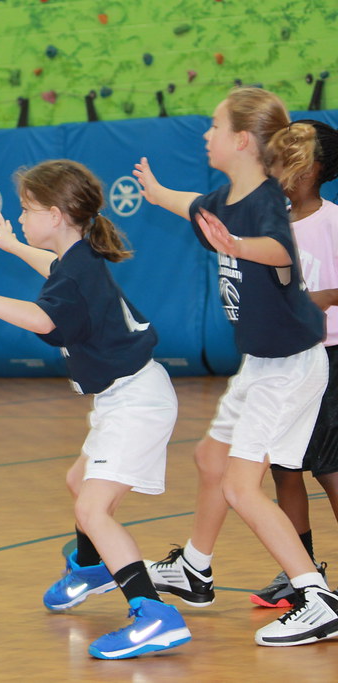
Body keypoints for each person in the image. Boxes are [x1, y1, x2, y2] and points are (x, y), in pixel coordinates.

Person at [0, 159, 190, 660]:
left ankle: (154, 614)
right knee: (78, 482)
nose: (19, 217)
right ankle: (91, 568)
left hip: (137, 401)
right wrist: (13, 246)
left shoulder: (75, 274)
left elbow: (42, 319)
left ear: (54, 215)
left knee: (92, 509)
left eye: (26, 210)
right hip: (125, 396)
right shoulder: (78, 257)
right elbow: (53, 270)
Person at [134, 87, 338, 647]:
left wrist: (241, 246)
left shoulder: (269, 201)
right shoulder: (230, 197)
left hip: (290, 364)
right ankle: (194, 568)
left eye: (215, 126)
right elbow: (194, 205)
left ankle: (316, 598)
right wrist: (158, 194)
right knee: (210, 459)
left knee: (242, 487)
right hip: (263, 362)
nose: (207, 134)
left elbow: (280, 249)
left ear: (242, 140)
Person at [248, 119, 338, 608]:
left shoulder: (333, 222)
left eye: (293, 160)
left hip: (329, 356)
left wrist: (324, 297)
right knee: (285, 468)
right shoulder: (272, 226)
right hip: (285, 360)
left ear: (315, 167)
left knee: (330, 467)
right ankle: (301, 573)